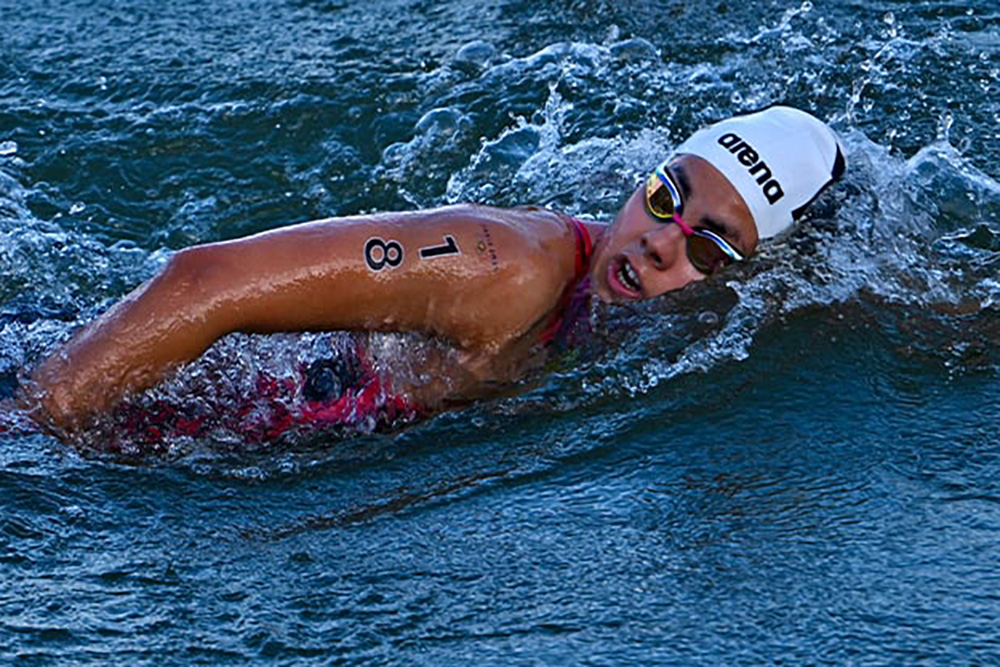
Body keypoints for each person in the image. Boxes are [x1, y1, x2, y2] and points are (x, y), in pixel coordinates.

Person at [21, 105, 846, 439]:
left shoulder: (654, 321)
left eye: (711, 246)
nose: (661, 241)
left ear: (754, 271)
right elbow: (203, 282)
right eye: (666, 195)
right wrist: (39, 423)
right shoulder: (508, 266)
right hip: (93, 416)